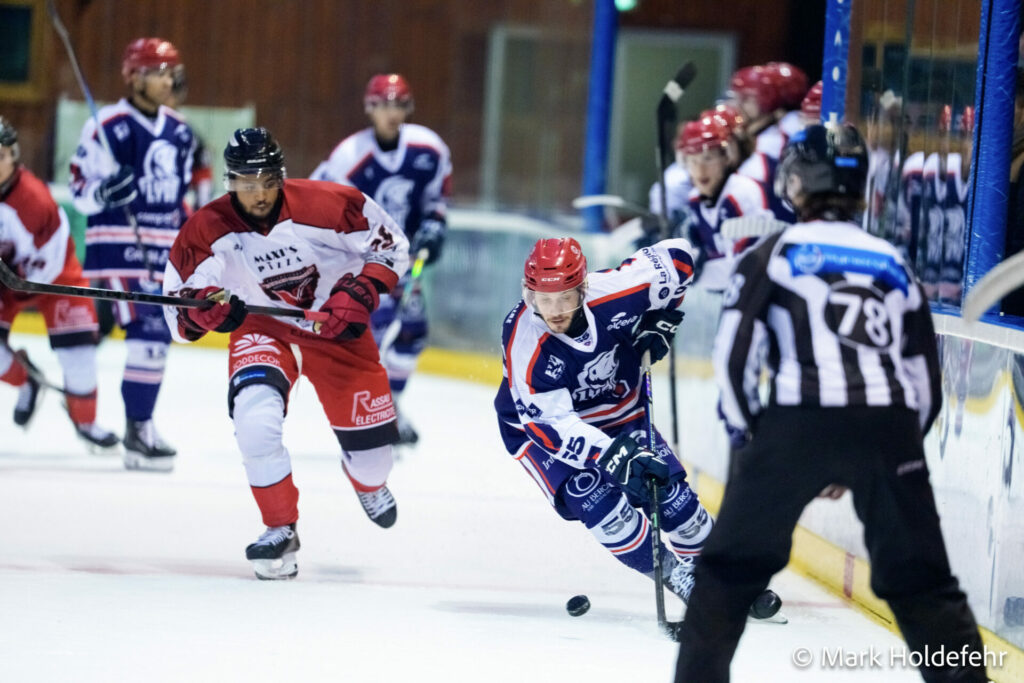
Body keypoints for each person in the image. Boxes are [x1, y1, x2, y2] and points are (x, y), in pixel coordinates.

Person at [675, 123, 987, 682]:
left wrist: (757, 443)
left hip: (797, 421)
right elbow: (923, 383)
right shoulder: (894, 262)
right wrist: (890, 453)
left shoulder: (772, 254)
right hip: (889, 425)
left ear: (795, 183)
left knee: (726, 573)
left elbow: (733, 360)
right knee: (924, 584)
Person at [163, 128, 409, 580]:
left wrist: (362, 291)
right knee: (254, 421)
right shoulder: (205, 229)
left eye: (267, 181)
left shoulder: (328, 203)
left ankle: (365, 478)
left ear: (281, 176)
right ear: (230, 182)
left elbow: (391, 245)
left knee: (376, 463)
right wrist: (204, 310)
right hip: (263, 328)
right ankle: (280, 528)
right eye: (246, 182)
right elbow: (179, 312)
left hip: (335, 328)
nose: (258, 194)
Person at [493, 237, 780, 618]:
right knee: (601, 506)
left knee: (674, 502)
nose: (555, 311)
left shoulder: (618, 290)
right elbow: (551, 424)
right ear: (530, 295)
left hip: (621, 412)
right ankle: (679, 577)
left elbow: (680, 257)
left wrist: (664, 318)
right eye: (544, 300)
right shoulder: (524, 340)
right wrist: (614, 456)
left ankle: (725, 578)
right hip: (543, 432)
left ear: (583, 289)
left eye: (565, 298)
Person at [69, 37, 198, 471]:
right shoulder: (107, 125)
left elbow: (179, 196)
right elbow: (79, 189)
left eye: (169, 73)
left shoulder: (180, 131)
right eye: (157, 72)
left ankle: (130, 423)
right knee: (150, 333)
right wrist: (104, 192)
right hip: (117, 248)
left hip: (162, 251)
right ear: (134, 76)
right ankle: (139, 430)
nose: (167, 81)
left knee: (150, 339)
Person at [311, 73, 452, 446]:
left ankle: (391, 406)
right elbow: (319, 204)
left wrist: (434, 227)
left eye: (399, 105)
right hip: (364, 264)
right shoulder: (349, 156)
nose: (392, 113)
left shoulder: (428, 149)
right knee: (370, 338)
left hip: (407, 260)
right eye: (383, 105)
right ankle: (365, 412)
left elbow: (436, 201)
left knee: (411, 334)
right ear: (369, 108)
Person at [0, 116, 118, 449]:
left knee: (78, 355)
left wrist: (14, 282)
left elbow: (47, 261)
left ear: (13, 155)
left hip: (54, 280)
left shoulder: (34, 200)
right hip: (6, 282)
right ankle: (28, 381)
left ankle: (86, 423)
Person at [680, 113, 775, 291]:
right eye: (693, 161)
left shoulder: (741, 193)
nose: (700, 169)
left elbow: (748, 267)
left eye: (708, 158)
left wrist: (688, 272)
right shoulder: (695, 200)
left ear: (726, 157)